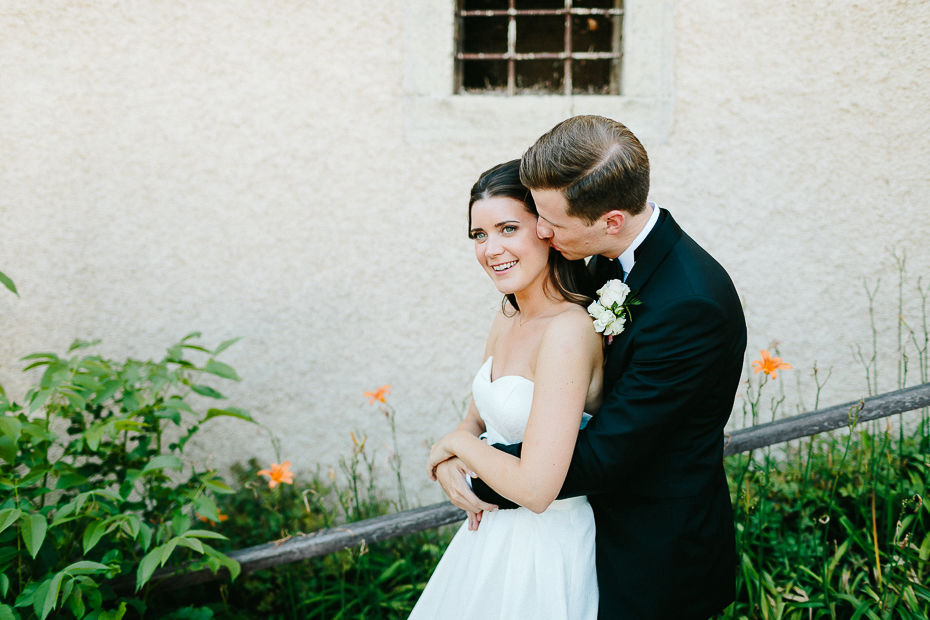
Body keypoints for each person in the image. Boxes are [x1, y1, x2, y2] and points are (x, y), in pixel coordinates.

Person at [434, 115, 747, 620]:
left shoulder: (691, 303)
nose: (540, 230)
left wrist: (471, 466)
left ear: (611, 219)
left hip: (651, 554)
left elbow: (609, 451)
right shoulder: (590, 260)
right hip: (571, 533)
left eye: (549, 222)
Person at [409, 159, 603, 619]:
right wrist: (454, 460)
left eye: (507, 228)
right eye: (479, 235)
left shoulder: (569, 331)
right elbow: (480, 415)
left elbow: (537, 489)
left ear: (546, 229)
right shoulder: (509, 314)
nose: (491, 249)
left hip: (544, 550)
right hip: (488, 539)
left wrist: (455, 445)